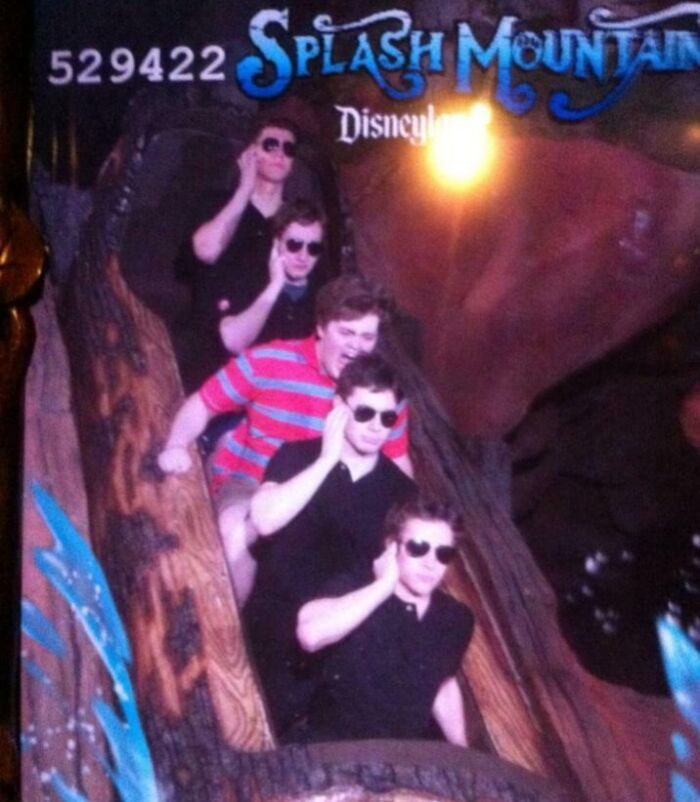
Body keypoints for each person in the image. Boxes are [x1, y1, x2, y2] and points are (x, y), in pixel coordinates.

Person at [157, 274, 412, 603]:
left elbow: (397, 463)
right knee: (237, 532)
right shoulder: (269, 361)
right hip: (252, 484)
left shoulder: (383, 395)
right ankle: (228, 629)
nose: (355, 346)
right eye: (346, 332)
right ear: (321, 327)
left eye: (366, 337)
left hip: (325, 501)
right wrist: (176, 445)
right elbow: (204, 404)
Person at [243, 354, 417, 738]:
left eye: (387, 418)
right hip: (271, 625)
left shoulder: (402, 492)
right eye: (365, 413)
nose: (376, 426)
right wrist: (326, 461)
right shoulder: (296, 455)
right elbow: (265, 520)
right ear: (338, 407)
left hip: (337, 637)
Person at [297, 498, 474, 745]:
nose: (430, 563)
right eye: (418, 548)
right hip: (331, 747)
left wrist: (460, 748)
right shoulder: (355, 588)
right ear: (392, 546)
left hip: (402, 759)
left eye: (443, 553)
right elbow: (310, 635)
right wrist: (383, 586)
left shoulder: (456, 618)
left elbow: (442, 683)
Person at [174, 117, 301, 391]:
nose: (280, 153)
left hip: (272, 349)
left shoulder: (298, 219)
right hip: (211, 349)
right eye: (270, 145)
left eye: (288, 149)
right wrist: (244, 189)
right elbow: (206, 251)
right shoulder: (216, 203)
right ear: (250, 152)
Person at [218, 198, 327, 356]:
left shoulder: (325, 294)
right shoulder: (249, 279)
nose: (303, 256)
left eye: (313, 248)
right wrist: (275, 285)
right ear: (277, 242)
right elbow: (233, 342)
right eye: (294, 245)